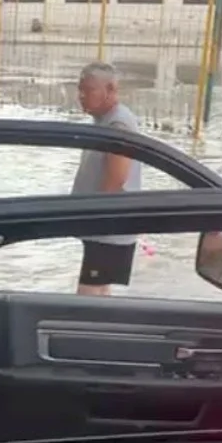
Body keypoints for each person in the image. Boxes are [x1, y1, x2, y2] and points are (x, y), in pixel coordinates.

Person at [71, 61, 143, 297]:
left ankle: (81, 334)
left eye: (88, 90)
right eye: (80, 89)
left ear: (110, 90)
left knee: (87, 294)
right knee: (100, 291)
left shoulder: (118, 123)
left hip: (107, 227)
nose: (81, 96)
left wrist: (95, 216)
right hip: (105, 227)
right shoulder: (104, 121)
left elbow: (116, 179)